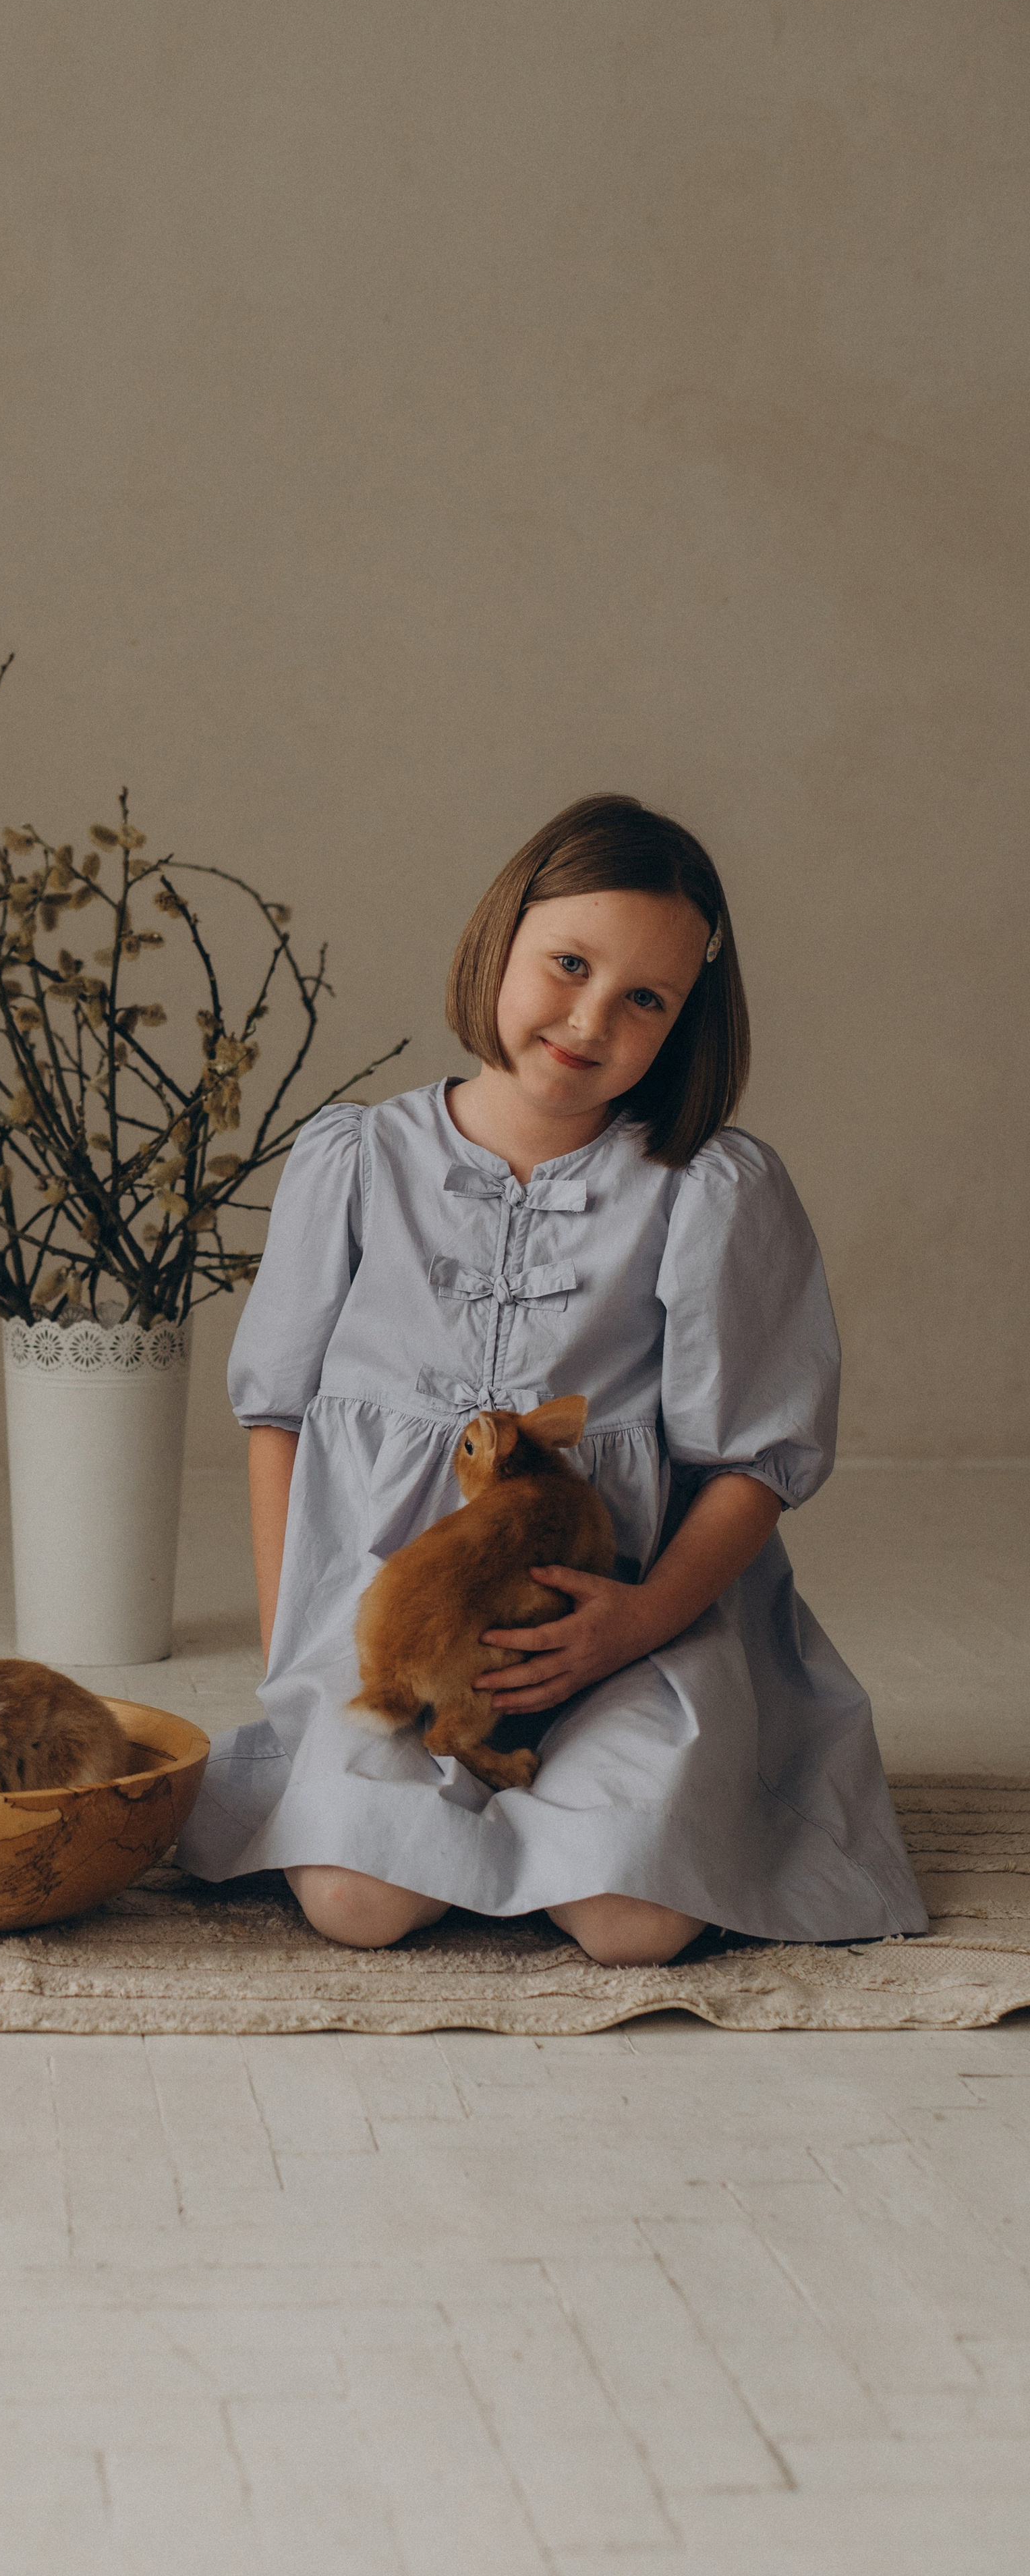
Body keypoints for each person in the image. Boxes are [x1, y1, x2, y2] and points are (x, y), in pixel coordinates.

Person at [175, 795, 926, 1963]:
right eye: (568, 965)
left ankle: (573, 1812)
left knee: (634, 1925)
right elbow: (277, 1416)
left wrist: (635, 1623)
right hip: (400, 1636)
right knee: (358, 1908)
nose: (589, 1020)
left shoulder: (705, 1190)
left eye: (645, 1000)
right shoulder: (358, 1162)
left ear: (684, 1023)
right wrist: (297, 1653)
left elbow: (757, 1461)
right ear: (499, 942)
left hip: (627, 1624)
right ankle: (447, 1824)